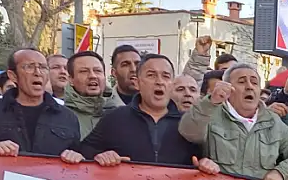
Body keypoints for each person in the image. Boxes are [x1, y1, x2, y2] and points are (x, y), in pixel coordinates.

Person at [179, 63, 288, 180]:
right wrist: (210, 102)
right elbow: (188, 131)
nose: (249, 86)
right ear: (228, 88)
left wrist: (282, 172)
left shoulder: (272, 122)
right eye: (241, 82)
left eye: (254, 82)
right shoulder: (212, 113)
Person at [69, 54, 197, 167]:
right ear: (137, 83)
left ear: (172, 84)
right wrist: (100, 156)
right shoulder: (115, 118)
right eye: (151, 75)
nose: (159, 82)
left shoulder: (187, 124)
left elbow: (203, 159)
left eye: (166, 76)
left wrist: (206, 163)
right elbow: (83, 152)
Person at [0, 48, 80, 157]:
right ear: (13, 75)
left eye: (43, 67)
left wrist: (76, 156)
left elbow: (79, 158)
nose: (38, 73)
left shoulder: (68, 118)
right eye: (29, 67)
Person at [62, 50, 122, 138]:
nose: (92, 76)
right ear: (71, 79)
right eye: (84, 71)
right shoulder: (61, 117)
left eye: (98, 71)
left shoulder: (122, 115)